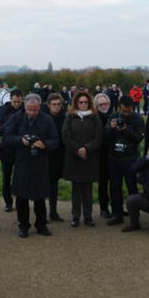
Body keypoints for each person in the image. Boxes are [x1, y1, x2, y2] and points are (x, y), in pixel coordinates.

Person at [2, 94, 60, 238]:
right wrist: (21, 140)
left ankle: (41, 224)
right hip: (22, 161)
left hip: (40, 161)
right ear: (25, 107)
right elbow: (6, 137)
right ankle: (23, 225)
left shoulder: (47, 119)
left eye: (35, 110)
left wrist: (44, 144)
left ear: (40, 107)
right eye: (29, 110)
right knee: (21, 196)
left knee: (40, 196)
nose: (32, 113)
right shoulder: (15, 118)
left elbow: (55, 140)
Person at [62, 91, 103, 227]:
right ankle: (75, 216)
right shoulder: (70, 116)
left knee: (87, 189)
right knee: (76, 189)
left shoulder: (94, 117)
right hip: (74, 158)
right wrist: (77, 149)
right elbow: (66, 136)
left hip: (89, 158)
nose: (83, 104)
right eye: (81, 102)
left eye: (86, 102)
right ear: (76, 103)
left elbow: (98, 137)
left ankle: (88, 216)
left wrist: (86, 148)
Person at [105, 96, 145, 225]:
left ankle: (135, 216)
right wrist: (111, 128)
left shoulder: (138, 119)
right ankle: (117, 213)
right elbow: (105, 136)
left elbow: (139, 138)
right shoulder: (113, 117)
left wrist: (126, 130)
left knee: (132, 187)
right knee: (115, 187)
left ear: (132, 108)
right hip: (114, 158)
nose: (126, 114)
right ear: (119, 107)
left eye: (128, 111)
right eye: (123, 111)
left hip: (130, 158)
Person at [0, 89, 24, 212]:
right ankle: (8, 201)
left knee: (21, 177)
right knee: (6, 177)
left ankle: (21, 201)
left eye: (19, 102)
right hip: (7, 149)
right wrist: (9, 124)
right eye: (15, 102)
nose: (17, 104)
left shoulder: (25, 110)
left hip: (21, 148)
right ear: (10, 100)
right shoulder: (4, 111)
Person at [43, 93, 67, 222]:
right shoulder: (43, 118)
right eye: (54, 105)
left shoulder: (65, 117)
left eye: (59, 104)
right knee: (42, 184)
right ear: (48, 105)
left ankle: (53, 211)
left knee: (54, 185)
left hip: (59, 155)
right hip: (45, 154)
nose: (57, 107)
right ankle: (41, 213)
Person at [94, 93, 113, 218]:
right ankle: (104, 207)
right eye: (101, 104)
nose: (104, 106)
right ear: (96, 106)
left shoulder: (113, 115)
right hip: (100, 154)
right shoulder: (94, 118)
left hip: (114, 153)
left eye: (106, 104)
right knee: (103, 182)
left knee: (115, 183)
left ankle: (117, 207)